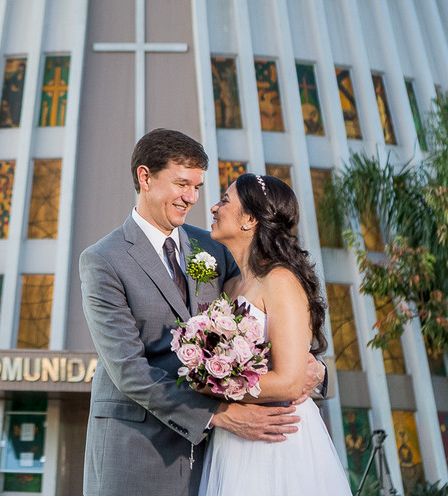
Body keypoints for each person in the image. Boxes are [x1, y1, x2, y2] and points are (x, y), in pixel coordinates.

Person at [79, 129, 325, 496]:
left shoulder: (215, 246)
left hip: (220, 456)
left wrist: (315, 368)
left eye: (197, 186)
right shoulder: (103, 260)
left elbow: (266, 316)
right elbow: (128, 370)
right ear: (145, 177)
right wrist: (220, 414)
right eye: (182, 184)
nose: (192, 198)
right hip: (138, 449)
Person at [200, 172, 351, 495]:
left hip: (277, 438)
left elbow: (290, 381)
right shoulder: (228, 286)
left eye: (225, 201)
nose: (214, 207)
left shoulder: (280, 280)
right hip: (232, 440)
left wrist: (211, 384)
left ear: (249, 220)